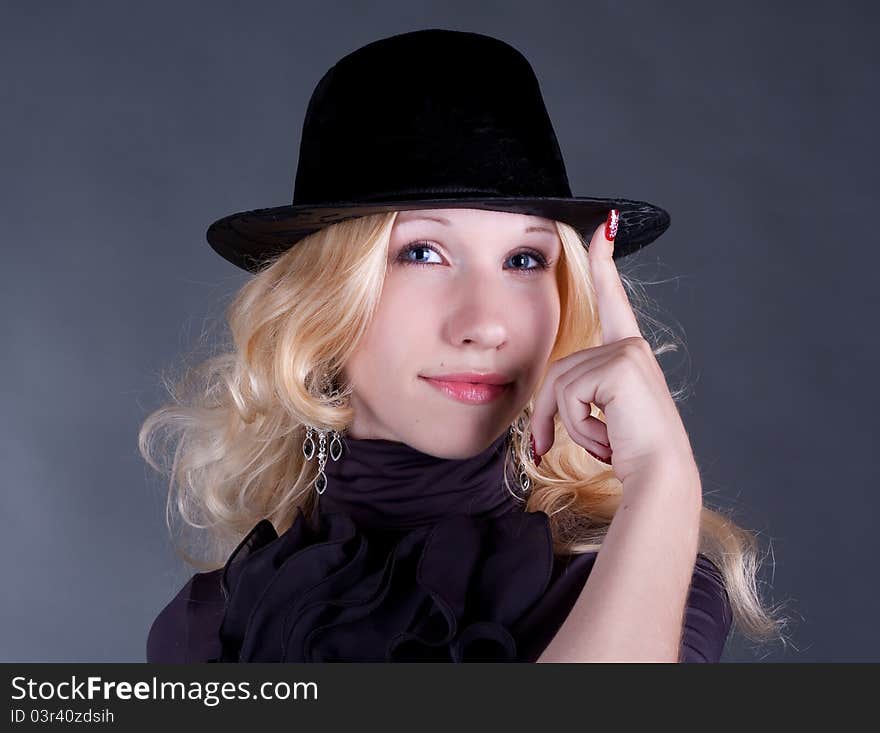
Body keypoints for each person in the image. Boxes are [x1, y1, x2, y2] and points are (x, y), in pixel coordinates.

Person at [141, 29, 789, 663]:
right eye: (423, 252)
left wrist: (665, 477)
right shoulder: (211, 625)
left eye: (526, 259)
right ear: (323, 296)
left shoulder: (647, 578)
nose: (486, 324)